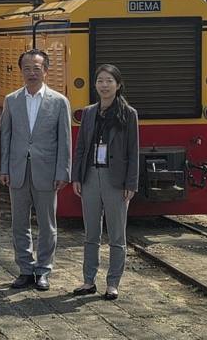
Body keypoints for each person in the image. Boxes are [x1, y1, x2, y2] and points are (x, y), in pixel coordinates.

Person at [0, 49, 71, 291]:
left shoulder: (59, 102)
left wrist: (63, 171)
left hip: (47, 172)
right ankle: (25, 269)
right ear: (21, 71)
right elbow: (5, 137)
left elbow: (65, 140)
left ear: (46, 70)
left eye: (37, 68)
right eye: (27, 68)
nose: (32, 72)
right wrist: (4, 168)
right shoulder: (11, 100)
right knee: (19, 223)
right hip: (18, 170)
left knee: (47, 223)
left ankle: (44, 270)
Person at [71, 64, 139, 300]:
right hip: (90, 176)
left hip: (116, 180)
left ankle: (112, 283)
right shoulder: (89, 112)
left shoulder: (128, 114)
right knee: (91, 233)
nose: (104, 85)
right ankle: (88, 281)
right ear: (95, 84)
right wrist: (77, 176)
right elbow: (80, 147)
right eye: (100, 80)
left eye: (109, 80)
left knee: (117, 236)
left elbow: (133, 150)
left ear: (118, 85)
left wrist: (132, 183)